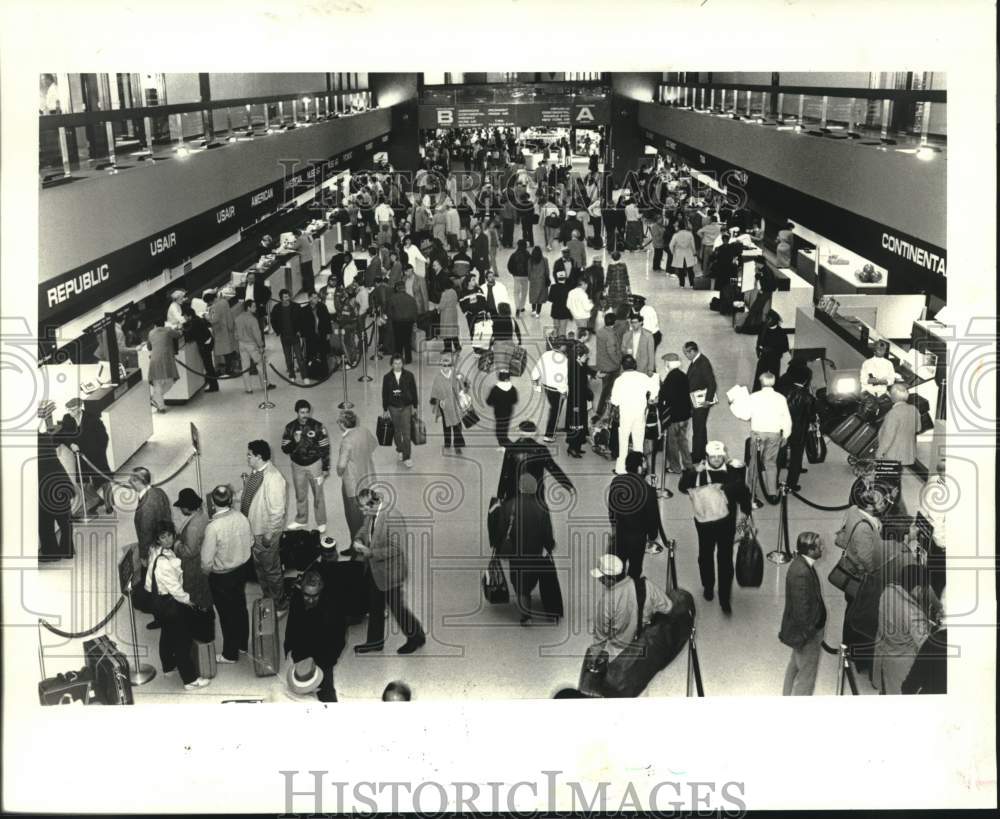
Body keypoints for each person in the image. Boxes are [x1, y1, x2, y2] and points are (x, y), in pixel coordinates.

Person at [678, 441, 751, 614]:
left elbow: (744, 499)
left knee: (723, 560)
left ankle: (723, 597)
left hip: (721, 524)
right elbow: (682, 486)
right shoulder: (700, 474)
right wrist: (695, 471)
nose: (717, 460)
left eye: (720, 456)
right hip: (707, 524)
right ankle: (709, 587)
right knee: (706, 555)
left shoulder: (731, 474)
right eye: (713, 457)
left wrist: (743, 523)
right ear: (707, 457)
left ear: (724, 456)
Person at [352, 489, 427, 655]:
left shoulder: (392, 517)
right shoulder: (373, 511)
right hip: (377, 569)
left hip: (391, 572)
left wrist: (371, 553)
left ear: (375, 503)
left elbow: (396, 548)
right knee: (375, 604)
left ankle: (416, 637)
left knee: (397, 608)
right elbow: (365, 529)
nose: (362, 511)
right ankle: (375, 642)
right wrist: (358, 539)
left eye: (364, 508)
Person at [145, 521, 211, 690]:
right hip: (171, 603)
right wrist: (189, 601)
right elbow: (175, 588)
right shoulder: (164, 562)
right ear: (158, 539)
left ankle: (168, 667)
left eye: (169, 536)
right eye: (163, 537)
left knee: (167, 634)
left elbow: (149, 582)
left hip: (160, 603)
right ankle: (190, 680)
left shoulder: (155, 551)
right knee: (183, 641)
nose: (167, 540)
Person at [496, 473, 561, 625]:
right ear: (535, 488)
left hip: (517, 553)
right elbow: (547, 532)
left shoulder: (509, 505)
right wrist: (550, 546)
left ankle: (526, 616)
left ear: (520, 487)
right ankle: (547, 608)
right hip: (535, 552)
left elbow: (501, 530)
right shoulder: (542, 507)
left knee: (520, 585)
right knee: (532, 578)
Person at [200, 484, 253, 665]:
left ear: (213, 503)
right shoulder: (241, 518)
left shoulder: (213, 528)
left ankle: (230, 654)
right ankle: (243, 645)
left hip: (222, 577)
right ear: (230, 500)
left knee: (226, 615)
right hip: (241, 571)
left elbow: (206, 561)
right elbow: (251, 541)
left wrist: (206, 574)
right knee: (240, 607)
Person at [589, 553, 674, 663]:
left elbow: (601, 636)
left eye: (602, 577)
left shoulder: (606, 601)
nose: (600, 580)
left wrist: (593, 657)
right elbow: (668, 607)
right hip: (644, 643)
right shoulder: (646, 585)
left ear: (610, 578)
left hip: (619, 650)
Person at [283, 569, 346, 702]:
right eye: (307, 595)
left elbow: (339, 639)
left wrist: (328, 661)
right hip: (301, 656)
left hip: (323, 659)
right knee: (301, 693)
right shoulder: (296, 599)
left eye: (315, 596)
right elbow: (291, 624)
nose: (310, 600)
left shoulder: (333, 607)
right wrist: (288, 647)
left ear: (321, 591)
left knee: (326, 692)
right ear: (301, 590)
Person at [873, 564, 936, 695]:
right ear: (918, 589)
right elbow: (925, 646)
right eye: (924, 590)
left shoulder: (888, 592)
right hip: (903, 666)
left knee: (885, 690)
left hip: (884, 655)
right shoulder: (913, 613)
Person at [779, 532, 827, 696]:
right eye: (820, 546)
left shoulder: (802, 564)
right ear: (811, 550)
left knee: (794, 666)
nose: (823, 548)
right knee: (807, 677)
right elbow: (801, 613)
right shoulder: (801, 572)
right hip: (807, 636)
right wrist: (809, 634)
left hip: (803, 634)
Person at [243, 439, 289, 610]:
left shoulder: (274, 478)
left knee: (271, 569)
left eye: (249, 455)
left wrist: (269, 535)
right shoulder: (256, 471)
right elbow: (251, 493)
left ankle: (279, 602)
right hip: (254, 531)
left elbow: (277, 512)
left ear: (259, 456)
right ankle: (267, 595)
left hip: (265, 534)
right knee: (260, 567)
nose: (247, 458)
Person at [608, 452, 661, 580]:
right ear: (639, 467)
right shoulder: (648, 490)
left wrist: (614, 525)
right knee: (635, 567)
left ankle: (618, 586)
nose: (645, 466)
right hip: (638, 537)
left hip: (620, 533)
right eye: (643, 464)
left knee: (618, 565)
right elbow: (652, 516)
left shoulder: (616, 481)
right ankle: (632, 588)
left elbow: (611, 507)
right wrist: (653, 535)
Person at [742, 372, 792, 505]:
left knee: (754, 463)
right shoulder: (780, 398)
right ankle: (772, 492)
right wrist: (785, 435)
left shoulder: (754, 397)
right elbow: (786, 419)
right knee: (770, 463)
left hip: (758, 434)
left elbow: (746, 415)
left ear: (761, 381)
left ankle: (751, 492)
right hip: (774, 434)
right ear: (773, 382)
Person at [496, 420, 575, 503]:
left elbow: (505, 474)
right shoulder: (542, 450)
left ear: (519, 432)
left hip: (513, 492)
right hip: (535, 491)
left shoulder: (510, 450)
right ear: (534, 433)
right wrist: (568, 485)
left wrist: (500, 495)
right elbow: (553, 468)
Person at [281, 400, 331, 533]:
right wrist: (294, 442)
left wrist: (325, 467)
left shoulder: (318, 427)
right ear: (296, 412)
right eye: (302, 412)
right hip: (297, 466)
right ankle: (301, 519)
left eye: (307, 412)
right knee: (300, 494)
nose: (304, 415)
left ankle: (321, 521)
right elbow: (285, 449)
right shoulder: (290, 427)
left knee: (318, 494)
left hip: (315, 465)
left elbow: (325, 448)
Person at [173, 488, 214, 641]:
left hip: (192, 568)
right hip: (203, 563)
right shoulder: (202, 515)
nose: (181, 509)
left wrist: (177, 544)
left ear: (187, 507)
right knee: (204, 598)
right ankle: (207, 630)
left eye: (182, 507)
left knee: (194, 598)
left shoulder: (192, 526)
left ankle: (201, 633)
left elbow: (189, 551)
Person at [608, 355, 659, 475]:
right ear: (635, 365)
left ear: (622, 366)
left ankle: (621, 469)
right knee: (638, 443)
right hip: (639, 414)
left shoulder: (619, 380)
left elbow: (615, 401)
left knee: (623, 442)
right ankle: (639, 469)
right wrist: (651, 398)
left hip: (625, 415)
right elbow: (655, 388)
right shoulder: (643, 377)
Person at [336, 409, 378, 542]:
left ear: (342, 424)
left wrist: (339, 472)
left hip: (353, 485)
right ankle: (367, 543)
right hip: (368, 479)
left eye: (339, 422)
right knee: (367, 516)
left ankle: (356, 551)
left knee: (354, 520)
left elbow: (341, 465)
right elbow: (374, 444)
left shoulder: (346, 441)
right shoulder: (364, 431)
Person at [130, 466, 173, 576]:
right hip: (165, 543)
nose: (130, 482)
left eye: (132, 479)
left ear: (138, 482)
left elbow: (145, 533)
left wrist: (143, 556)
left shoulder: (146, 506)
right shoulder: (159, 491)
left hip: (154, 549)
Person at [780, 361, 815, 492]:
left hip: (782, 428)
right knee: (796, 455)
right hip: (799, 430)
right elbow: (811, 416)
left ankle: (775, 480)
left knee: (780, 452)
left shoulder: (782, 391)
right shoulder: (808, 397)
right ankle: (792, 483)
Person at [658, 353, 693, 474]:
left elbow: (667, 396)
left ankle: (675, 467)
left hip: (674, 417)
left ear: (668, 364)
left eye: (665, 363)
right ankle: (688, 464)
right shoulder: (683, 375)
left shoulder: (671, 377)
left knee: (671, 443)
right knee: (683, 441)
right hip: (685, 416)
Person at [382, 355, 419, 468]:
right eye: (395, 363)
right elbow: (384, 393)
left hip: (406, 407)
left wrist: (415, 406)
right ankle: (400, 449)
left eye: (400, 363)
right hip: (393, 408)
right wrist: (385, 409)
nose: (398, 366)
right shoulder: (387, 377)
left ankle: (407, 457)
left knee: (407, 434)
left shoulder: (409, 376)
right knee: (397, 432)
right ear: (391, 364)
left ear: (403, 364)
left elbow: (413, 391)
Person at [683, 341, 717, 462]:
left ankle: (697, 456)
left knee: (698, 429)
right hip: (696, 400)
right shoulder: (696, 361)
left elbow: (712, 383)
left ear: (692, 351)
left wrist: (708, 400)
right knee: (700, 428)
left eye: (686, 353)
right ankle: (701, 452)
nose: (685, 356)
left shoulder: (703, 363)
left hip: (701, 402)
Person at [531, 342, 569, 443]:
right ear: (563, 347)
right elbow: (564, 378)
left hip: (545, 386)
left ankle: (549, 431)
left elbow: (536, 370)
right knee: (555, 412)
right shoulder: (565, 360)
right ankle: (549, 435)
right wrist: (564, 391)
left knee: (552, 408)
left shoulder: (546, 354)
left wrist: (536, 384)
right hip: (557, 389)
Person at [430, 351, 466, 455]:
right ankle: (447, 442)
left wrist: (462, 386)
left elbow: (465, 384)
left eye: (447, 366)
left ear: (450, 366)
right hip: (444, 406)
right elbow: (434, 391)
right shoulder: (438, 377)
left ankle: (458, 445)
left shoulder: (456, 374)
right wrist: (435, 401)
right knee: (446, 425)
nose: (445, 368)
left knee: (457, 426)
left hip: (455, 405)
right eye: (443, 366)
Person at [234, 300, 273, 394]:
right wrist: (261, 346)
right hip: (251, 345)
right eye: (254, 306)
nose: (255, 308)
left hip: (241, 344)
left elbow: (235, 334)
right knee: (260, 365)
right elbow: (257, 334)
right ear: (248, 308)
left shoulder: (237, 318)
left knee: (245, 367)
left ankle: (248, 389)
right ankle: (265, 385)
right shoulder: (252, 319)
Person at [270, 289, 307, 383]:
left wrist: (300, 331)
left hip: (295, 335)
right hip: (284, 337)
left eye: (288, 296)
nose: (287, 299)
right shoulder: (276, 308)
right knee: (288, 357)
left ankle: (304, 376)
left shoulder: (296, 306)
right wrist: (278, 331)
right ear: (281, 298)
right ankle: (292, 375)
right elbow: (273, 320)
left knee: (299, 357)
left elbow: (301, 319)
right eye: (285, 297)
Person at [877, 384, 919, 465]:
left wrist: (880, 453)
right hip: (909, 452)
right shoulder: (914, 409)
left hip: (893, 454)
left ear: (892, 397)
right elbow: (918, 428)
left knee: (890, 476)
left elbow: (888, 437)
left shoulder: (893, 413)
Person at [181, 303, 219, 392]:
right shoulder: (197, 319)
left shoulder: (194, 323)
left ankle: (213, 386)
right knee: (209, 365)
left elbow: (189, 335)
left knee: (208, 366)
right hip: (209, 342)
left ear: (189, 316)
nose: (185, 318)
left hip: (205, 345)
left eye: (185, 316)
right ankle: (213, 383)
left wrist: (183, 331)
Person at [566, 342, 595, 457]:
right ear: (579, 356)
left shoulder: (579, 364)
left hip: (579, 399)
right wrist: (588, 393)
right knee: (576, 424)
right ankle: (572, 448)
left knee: (580, 423)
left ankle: (576, 447)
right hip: (576, 401)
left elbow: (586, 369)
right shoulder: (575, 368)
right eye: (585, 356)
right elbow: (579, 386)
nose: (587, 357)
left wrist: (594, 373)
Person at [146, 317, 181, 412]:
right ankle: (160, 406)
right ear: (164, 323)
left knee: (157, 384)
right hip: (166, 360)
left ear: (155, 325)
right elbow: (178, 334)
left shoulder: (151, 333)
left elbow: (149, 347)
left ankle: (155, 399)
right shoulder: (168, 330)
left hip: (154, 360)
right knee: (170, 381)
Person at [594, 313, 622, 419]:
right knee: (608, 390)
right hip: (611, 367)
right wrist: (618, 362)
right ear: (614, 323)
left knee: (605, 388)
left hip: (602, 364)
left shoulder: (600, 331)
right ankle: (602, 412)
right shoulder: (611, 335)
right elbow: (611, 352)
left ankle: (601, 411)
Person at [753, 311, 789, 391]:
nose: (766, 320)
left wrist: (772, 350)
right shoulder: (763, 329)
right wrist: (758, 349)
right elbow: (759, 341)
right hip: (764, 357)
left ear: (774, 320)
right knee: (759, 377)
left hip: (775, 359)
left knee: (774, 378)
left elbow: (785, 348)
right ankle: (756, 392)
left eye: (768, 319)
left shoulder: (781, 333)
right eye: (766, 318)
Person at [386, 281, 418, 364]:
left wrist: (392, 318)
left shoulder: (392, 298)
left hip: (397, 322)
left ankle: (398, 358)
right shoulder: (411, 298)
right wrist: (414, 321)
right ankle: (408, 359)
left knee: (398, 341)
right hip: (409, 322)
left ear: (396, 288)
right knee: (407, 341)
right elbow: (415, 311)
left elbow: (389, 312)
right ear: (404, 288)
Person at [486, 370, 519, 447]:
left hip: (498, 411)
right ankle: (504, 437)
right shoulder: (512, 389)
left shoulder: (495, 389)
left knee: (499, 423)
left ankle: (500, 437)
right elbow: (515, 400)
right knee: (506, 423)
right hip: (508, 410)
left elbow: (489, 401)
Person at [619, 312, 656, 377]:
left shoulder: (648, 336)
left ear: (640, 322)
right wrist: (626, 351)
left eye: (635, 322)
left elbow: (651, 354)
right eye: (632, 322)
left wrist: (650, 369)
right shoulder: (626, 335)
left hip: (642, 368)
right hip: (629, 368)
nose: (633, 325)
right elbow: (622, 350)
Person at [668, 219, 698, 287]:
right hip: (688, 252)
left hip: (679, 253)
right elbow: (693, 245)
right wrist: (694, 253)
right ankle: (692, 284)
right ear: (685, 226)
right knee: (690, 269)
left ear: (678, 227)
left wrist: (673, 252)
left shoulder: (676, 235)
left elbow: (671, 245)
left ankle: (682, 284)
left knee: (680, 269)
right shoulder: (690, 234)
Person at [527, 245, 551, 318]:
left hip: (533, 281)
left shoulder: (530, 260)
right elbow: (547, 271)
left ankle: (533, 310)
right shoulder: (545, 260)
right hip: (542, 280)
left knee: (533, 296)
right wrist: (547, 277)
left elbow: (529, 271)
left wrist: (530, 278)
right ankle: (538, 313)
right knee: (540, 297)